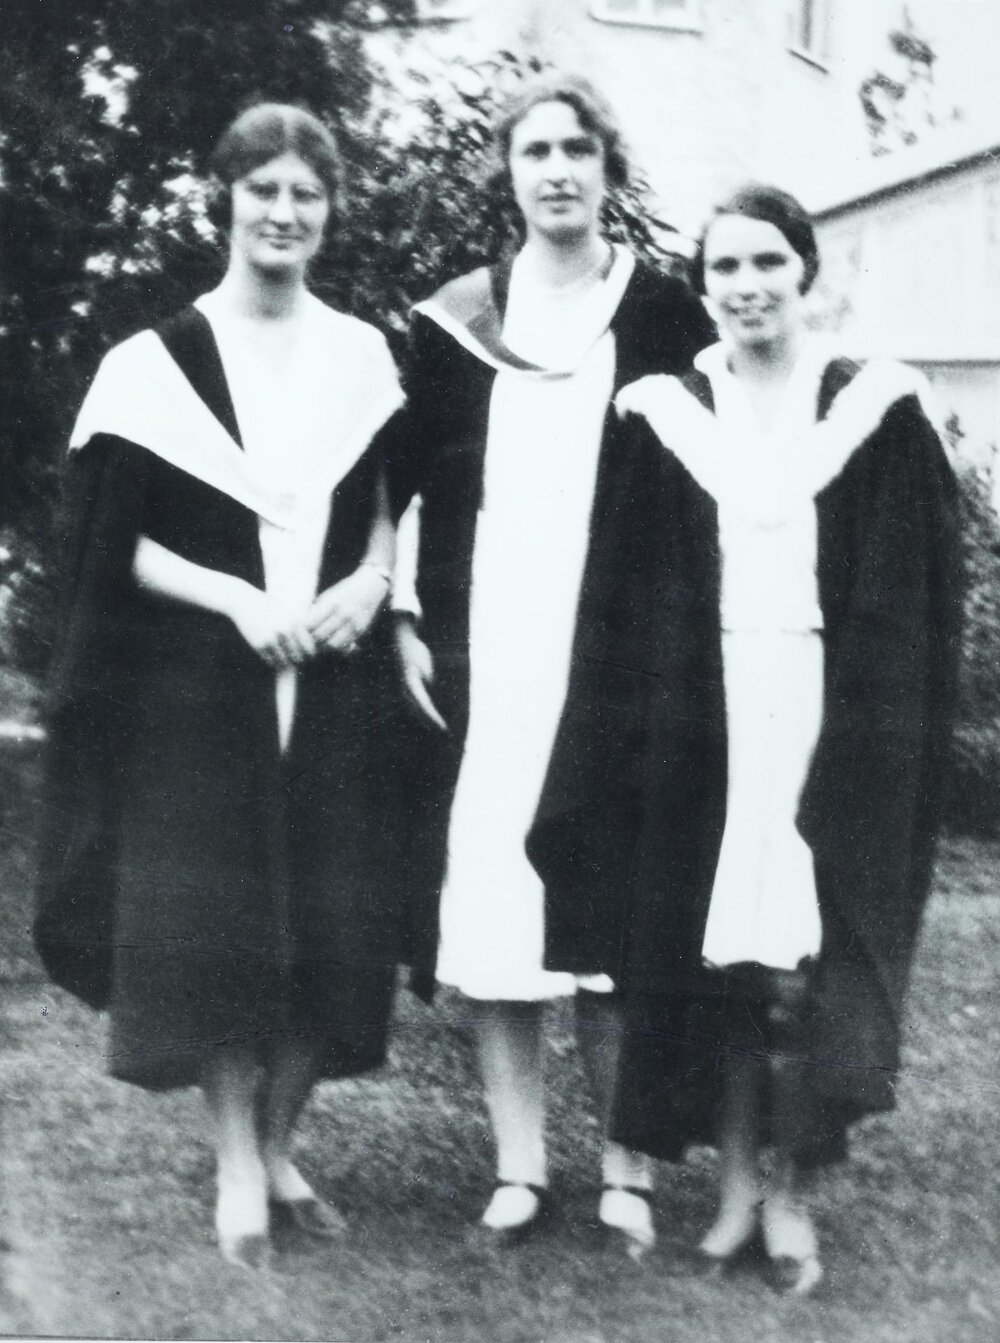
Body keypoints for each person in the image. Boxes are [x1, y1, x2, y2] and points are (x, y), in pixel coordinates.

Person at [34, 103, 409, 1269]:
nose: (284, 212)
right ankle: (241, 1159)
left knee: (337, 925)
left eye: (305, 194)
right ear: (226, 201)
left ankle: (282, 1138)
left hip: (336, 684)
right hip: (205, 692)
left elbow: (396, 499)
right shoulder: (149, 368)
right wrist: (236, 596)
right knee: (224, 929)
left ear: (328, 211)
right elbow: (112, 546)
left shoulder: (361, 354)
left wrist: (374, 577)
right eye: (264, 191)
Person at [594, 184, 961, 1292]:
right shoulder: (665, 413)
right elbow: (631, 591)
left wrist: (867, 721)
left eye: (766, 263)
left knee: (806, 954)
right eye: (723, 270)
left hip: (825, 705)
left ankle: (793, 1192)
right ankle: (738, 1185)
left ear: (806, 272)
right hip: (705, 716)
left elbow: (916, 595)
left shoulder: (874, 409)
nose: (745, 287)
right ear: (700, 289)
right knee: (727, 955)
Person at [384, 74, 715, 1254]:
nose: (560, 168)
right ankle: (519, 1165)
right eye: (537, 150)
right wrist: (407, 620)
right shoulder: (455, 321)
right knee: (493, 910)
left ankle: (625, 1169)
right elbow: (402, 485)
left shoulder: (669, 313)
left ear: (607, 169)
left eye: (580, 148)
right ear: (508, 172)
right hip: (491, 654)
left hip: (619, 662)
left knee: (611, 913)